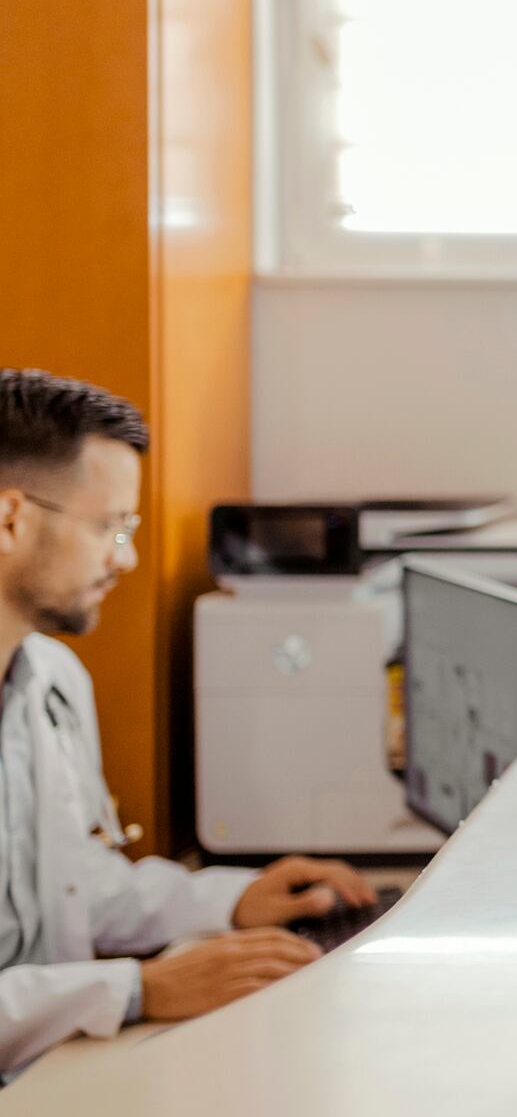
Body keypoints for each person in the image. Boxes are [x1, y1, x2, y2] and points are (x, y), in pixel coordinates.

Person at [0, 368, 376, 1079]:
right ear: (11, 518)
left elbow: (78, 889)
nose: (128, 557)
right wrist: (140, 990)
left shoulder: (50, 679)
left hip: (50, 1082)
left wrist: (235, 897)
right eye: (109, 526)